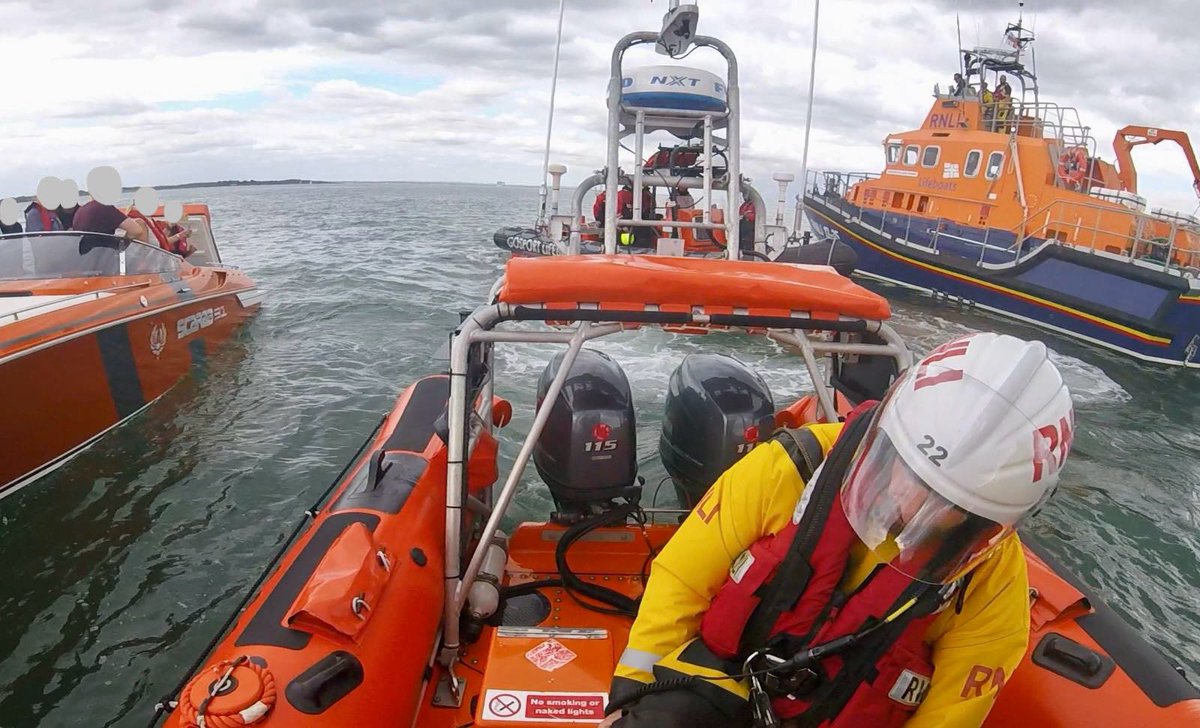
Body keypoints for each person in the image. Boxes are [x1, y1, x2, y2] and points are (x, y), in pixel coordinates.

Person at [602, 333, 1074, 728]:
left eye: (948, 505)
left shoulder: (992, 586)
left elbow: (950, 713)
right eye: (907, 471)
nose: (912, 505)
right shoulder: (789, 468)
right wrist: (632, 695)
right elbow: (682, 580)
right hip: (724, 681)